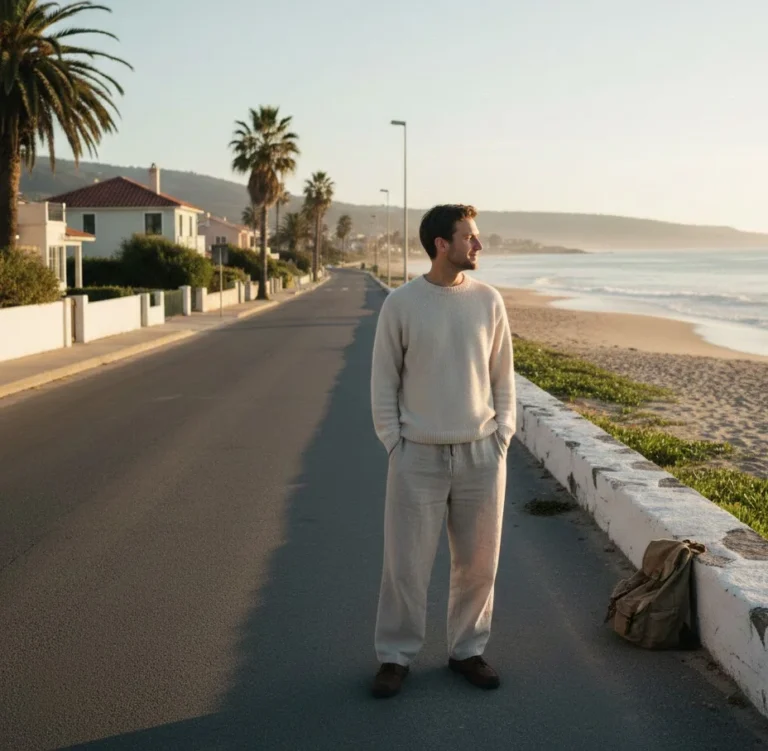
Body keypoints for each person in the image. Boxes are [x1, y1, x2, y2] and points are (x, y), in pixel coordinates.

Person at [369, 204, 516, 699]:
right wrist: (396, 443)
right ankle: (394, 657)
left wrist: (502, 437)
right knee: (405, 565)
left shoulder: (489, 301)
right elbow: (383, 382)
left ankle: (467, 651)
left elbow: (503, 378)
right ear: (441, 245)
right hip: (418, 457)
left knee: (479, 563)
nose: (478, 246)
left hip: (480, 453)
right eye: (469, 237)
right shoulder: (401, 304)